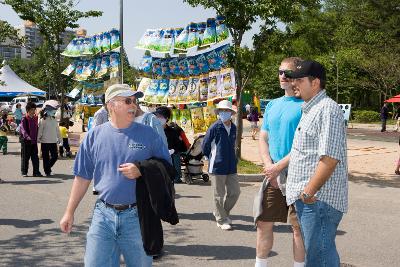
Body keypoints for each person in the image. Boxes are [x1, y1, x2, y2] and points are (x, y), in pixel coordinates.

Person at [60, 84, 171, 267]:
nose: (133, 105)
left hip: (137, 216)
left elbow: (168, 168)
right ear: (110, 105)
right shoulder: (93, 136)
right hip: (103, 216)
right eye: (127, 101)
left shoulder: (149, 135)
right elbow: (82, 177)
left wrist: (142, 169)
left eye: (135, 101)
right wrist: (69, 212)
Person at [285, 60, 348, 266]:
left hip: (318, 200)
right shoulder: (311, 109)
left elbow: (329, 159)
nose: (294, 84)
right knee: (316, 256)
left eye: (299, 80)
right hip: (311, 200)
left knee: (320, 258)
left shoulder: (326, 109)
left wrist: (308, 193)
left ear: (315, 83)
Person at [255, 57, 305, 267]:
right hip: (272, 174)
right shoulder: (273, 105)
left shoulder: (306, 105)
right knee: (264, 222)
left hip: (299, 173)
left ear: (299, 77)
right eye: (280, 72)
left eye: (288, 73)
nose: (283, 76)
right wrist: (269, 166)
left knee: (298, 229)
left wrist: (277, 167)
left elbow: (305, 145)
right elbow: (263, 137)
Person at [202, 100, 240, 231]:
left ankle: (221, 213)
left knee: (235, 192)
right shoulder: (215, 127)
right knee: (219, 194)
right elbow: (205, 144)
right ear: (218, 113)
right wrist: (209, 156)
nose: (224, 113)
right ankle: (221, 219)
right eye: (222, 111)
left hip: (231, 165)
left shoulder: (234, 127)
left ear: (231, 113)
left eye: (227, 111)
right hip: (217, 165)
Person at [153, 106, 188, 184]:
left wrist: (173, 150)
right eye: (156, 116)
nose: (157, 118)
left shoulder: (172, 131)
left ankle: (176, 177)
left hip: (169, 159)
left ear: (167, 118)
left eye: (160, 116)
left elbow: (178, 145)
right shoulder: (151, 130)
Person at [19, 102, 42, 177]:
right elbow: (22, 129)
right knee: (25, 157)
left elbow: (37, 128)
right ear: (28, 110)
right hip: (26, 141)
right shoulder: (24, 119)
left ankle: (36, 172)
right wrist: (27, 136)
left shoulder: (35, 118)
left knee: (35, 158)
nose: (33, 111)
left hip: (34, 141)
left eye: (34, 109)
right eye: (32, 109)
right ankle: (24, 172)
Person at [38, 105, 61, 176]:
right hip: (45, 141)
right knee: (45, 157)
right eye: (52, 111)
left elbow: (57, 130)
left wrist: (60, 138)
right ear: (47, 111)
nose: (54, 112)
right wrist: (38, 138)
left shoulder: (54, 120)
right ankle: (47, 171)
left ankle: (48, 167)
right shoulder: (42, 120)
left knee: (55, 156)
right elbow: (40, 131)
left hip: (53, 141)